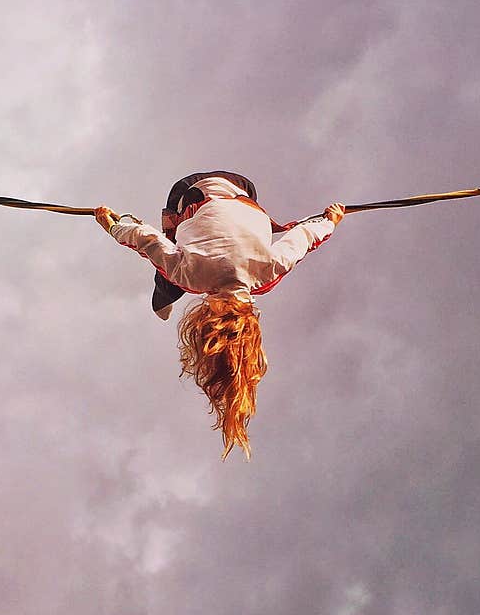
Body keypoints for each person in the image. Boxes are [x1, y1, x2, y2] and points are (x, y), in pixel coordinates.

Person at [95, 171, 345, 459]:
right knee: (171, 268)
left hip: (243, 187)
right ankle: (161, 301)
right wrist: (112, 226)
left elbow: (304, 237)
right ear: (204, 320)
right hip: (188, 191)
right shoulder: (192, 278)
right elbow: (145, 240)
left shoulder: (267, 274)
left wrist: (330, 220)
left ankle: (165, 297)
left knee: (179, 265)